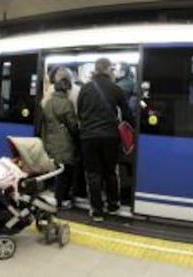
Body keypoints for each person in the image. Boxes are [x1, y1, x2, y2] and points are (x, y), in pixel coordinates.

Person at [77, 58, 134, 222]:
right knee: (110, 172)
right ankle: (113, 205)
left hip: (88, 137)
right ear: (108, 70)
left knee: (93, 175)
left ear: (96, 69)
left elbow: (80, 113)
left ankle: (97, 212)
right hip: (109, 136)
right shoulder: (116, 89)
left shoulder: (85, 88)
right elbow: (127, 115)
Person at [42, 72, 78, 209]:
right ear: (67, 90)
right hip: (64, 143)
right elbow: (73, 126)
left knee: (57, 171)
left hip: (51, 142)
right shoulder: (66, 104)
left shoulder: (48, 103)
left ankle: (56, 197)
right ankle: (60, 200)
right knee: (65, 173)